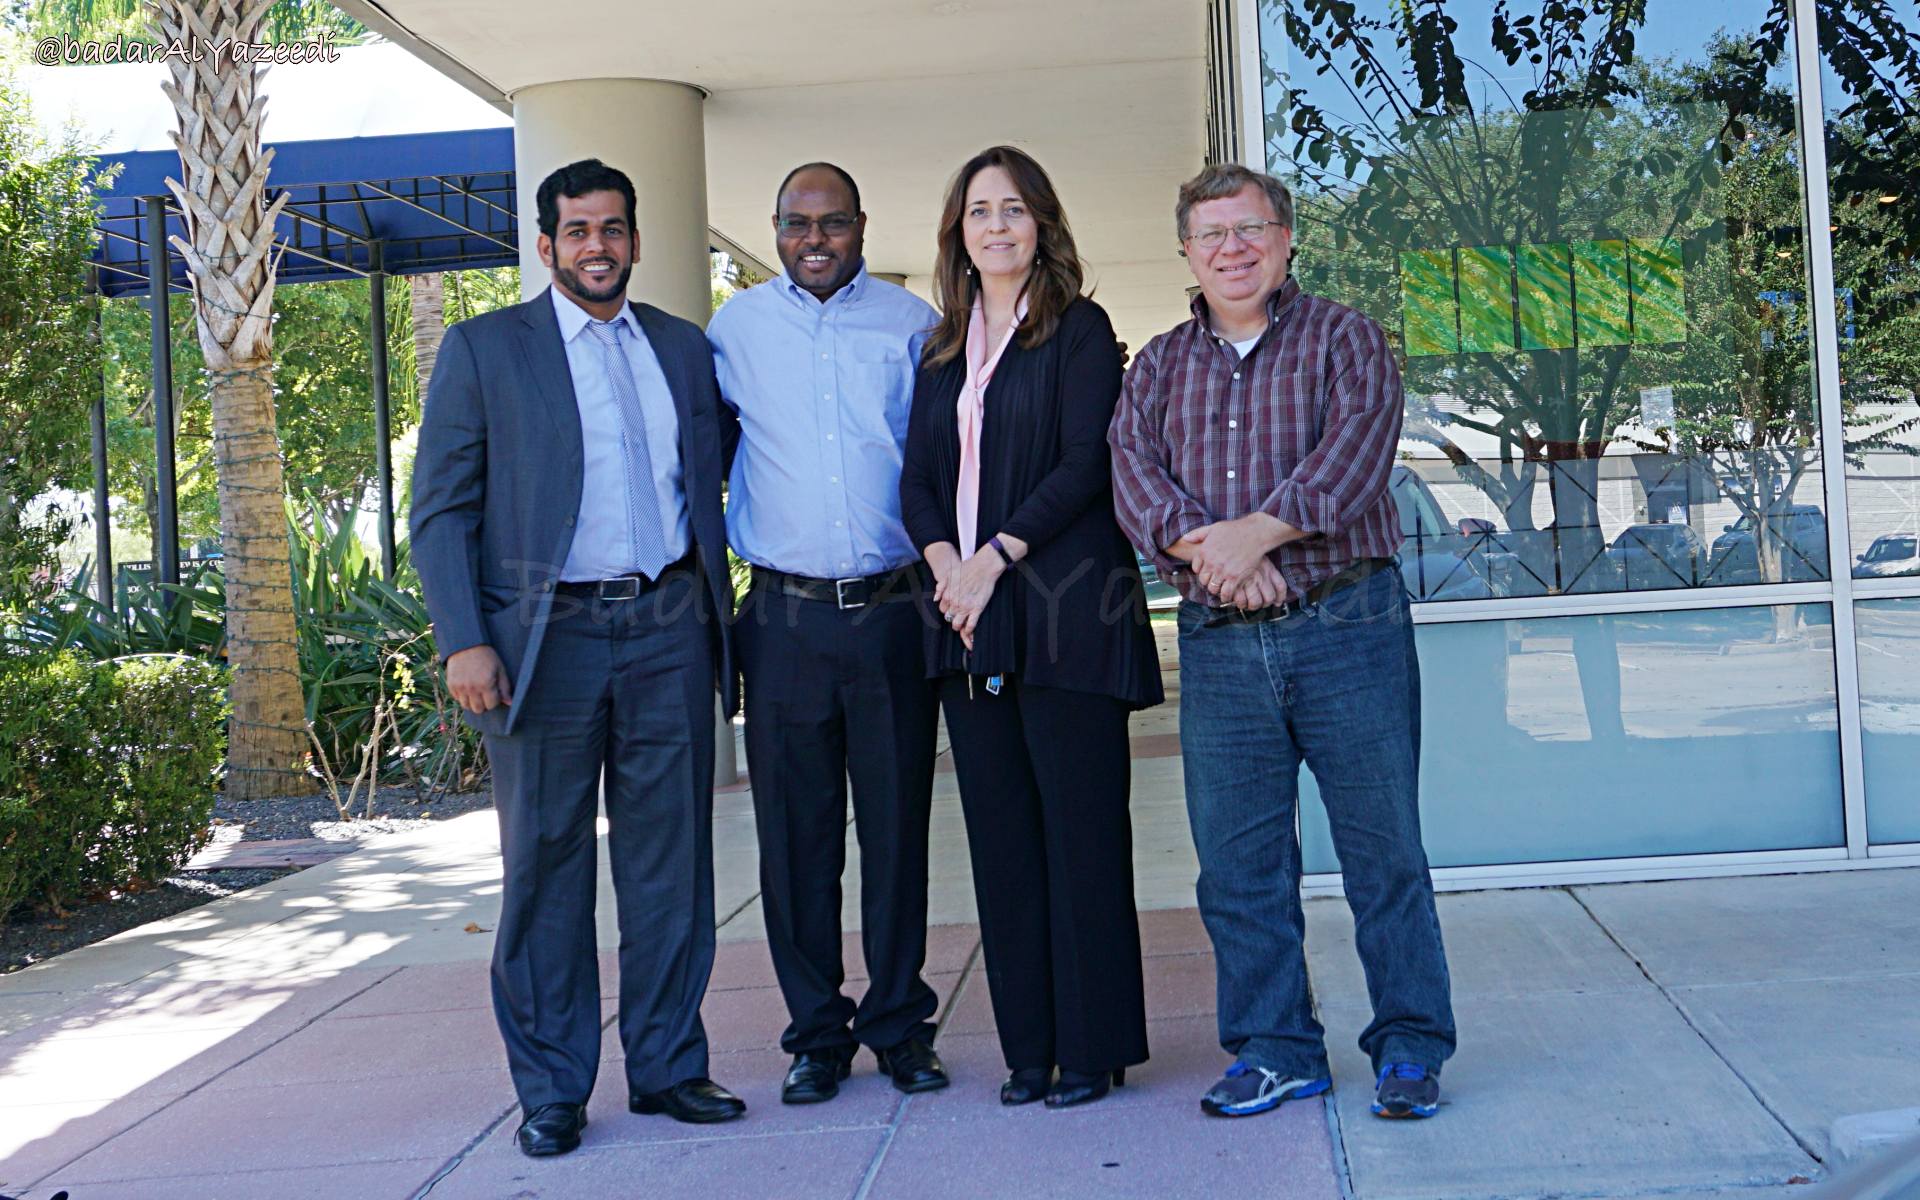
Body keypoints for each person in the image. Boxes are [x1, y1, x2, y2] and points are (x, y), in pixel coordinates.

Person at [1107, 162, 1456, 1121]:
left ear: (1287, 237)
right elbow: (1133, 481)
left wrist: (1249, 535)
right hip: (1221, 642)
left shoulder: (1348, 338)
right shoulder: (1159, 367)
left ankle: (1411, 1048)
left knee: (1384, 855)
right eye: (1212, 233)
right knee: (1238, 867)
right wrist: (1216, 560)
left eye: (1251, 229)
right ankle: (1276, 1048)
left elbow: (1354, 458)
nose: (1233, 248)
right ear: (1186, 248)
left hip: (1351, 628)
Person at [411, 158, 745, 1158]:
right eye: (577, 230)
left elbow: (714, 480)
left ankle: (669, 1066)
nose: (597, 245)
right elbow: (441, 511)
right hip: (539, 644)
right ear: (547, 245)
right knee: (547, 869)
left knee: (671, 868)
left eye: (613, 228)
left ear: (636, 241)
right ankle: (553, 1088)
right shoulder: (484, 350)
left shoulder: (685, 350)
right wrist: (464, 637)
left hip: (668, 631)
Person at [899, 144, 1162, 1110]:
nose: (997, 225)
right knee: (1003, 843)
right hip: (967, 624)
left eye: (1014, 209)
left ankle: (1089, 1049)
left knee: (1081, 835)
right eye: (978, 211)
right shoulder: (940, 348)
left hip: (1063, 616)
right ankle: (1027, 1050)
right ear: (957, 234)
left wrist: (991, 557)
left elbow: (1085, 461)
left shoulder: (1080, 330)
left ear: (1042, 223)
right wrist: (946, 573)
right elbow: (917, 480)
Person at [707, 163, 949, 1103]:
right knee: (795, 840)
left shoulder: (911, 326)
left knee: (897, 836)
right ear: (774, 229)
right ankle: (815, 1032)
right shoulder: (734, 333)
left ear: (860, 226)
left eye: (833, 222)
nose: (815, 238)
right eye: (797, 222)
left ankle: (899, 1026)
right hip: (782, 620)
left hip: (893, 614)